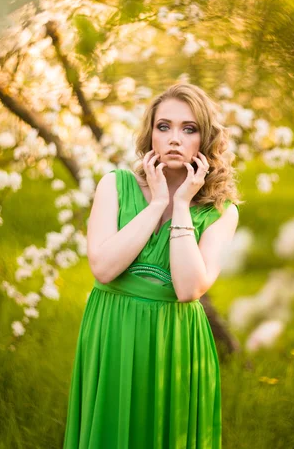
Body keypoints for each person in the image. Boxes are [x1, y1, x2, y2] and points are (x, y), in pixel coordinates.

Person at [63, 82, 241, 449]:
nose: (174, 138)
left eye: (188, 129)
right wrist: (158, 203)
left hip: (175, 341)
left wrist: (181, 206)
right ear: (151, 135)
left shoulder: (222, 213)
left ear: (205, 140)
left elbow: (189, 289)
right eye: (164, 126)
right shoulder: (114, 185)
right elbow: (104, 268)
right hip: (113, 330)